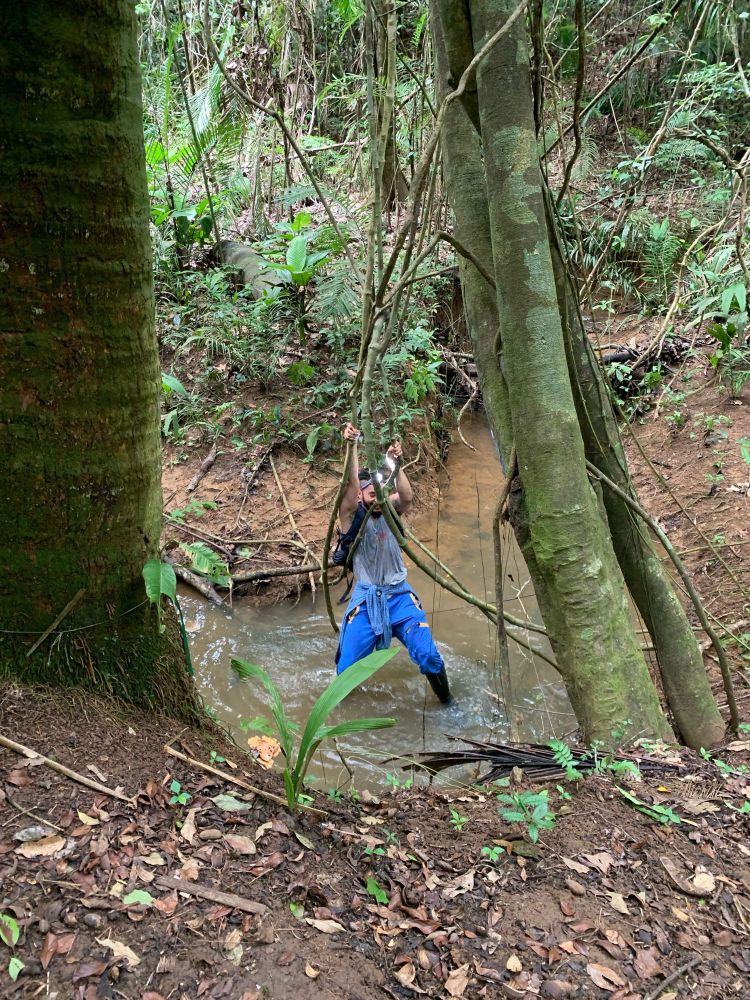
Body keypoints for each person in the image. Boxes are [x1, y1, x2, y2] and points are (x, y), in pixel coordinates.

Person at [334, 422, 453, 704]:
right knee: (345, 670)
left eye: (382, 494)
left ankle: (448, 702)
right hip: (366, 599)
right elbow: (349, 487)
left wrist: (395, 463)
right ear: (362, 496)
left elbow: (407, 495)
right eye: (371, 494)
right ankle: (342, 715)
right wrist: (351, 446)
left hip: (399, 595)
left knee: (429, 657)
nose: (378, 499)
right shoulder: (351, 517)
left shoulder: (390, 509)